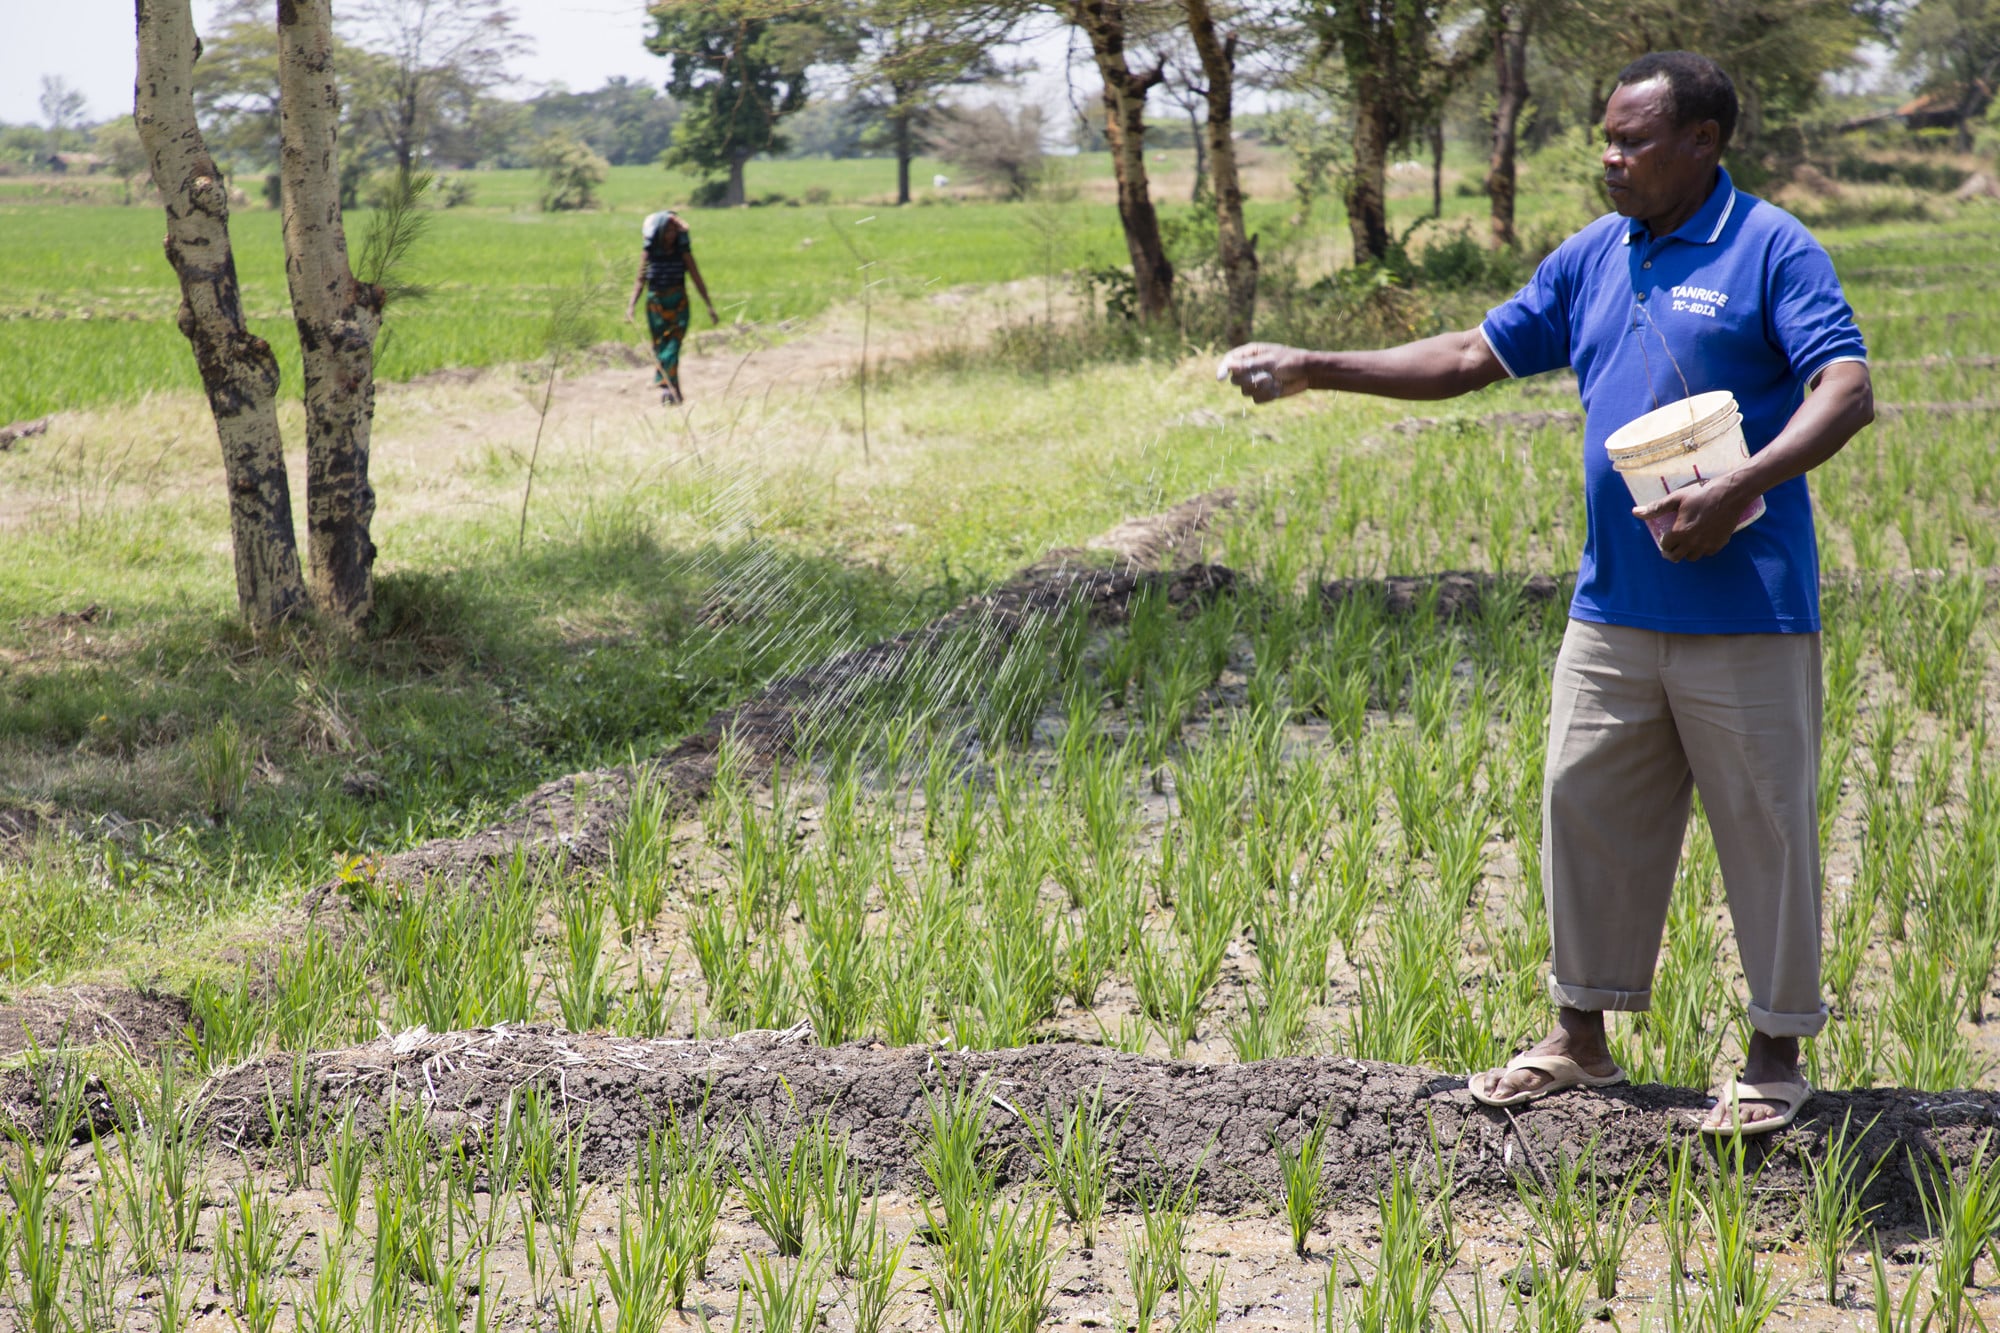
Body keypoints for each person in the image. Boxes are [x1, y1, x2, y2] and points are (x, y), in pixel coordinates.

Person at [1221, 51, 1873, 1137]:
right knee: (1584, 808)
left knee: (1761, 827)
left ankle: (1772, 1053)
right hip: (1611, 608)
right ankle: (1579, 1038)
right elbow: (1473, 352)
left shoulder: (1767, 247)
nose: (1608, 159)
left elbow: (1843, 386)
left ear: (1701, 143)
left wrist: (1741, 483)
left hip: (1746, 607)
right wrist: (1313, 366)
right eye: (1603, 140)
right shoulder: (1590, 256)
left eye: (1631, 141)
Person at [627, 207, 719, 405]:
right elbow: (640, 280)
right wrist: (631, 306)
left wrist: (709, 306)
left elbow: (696, 278)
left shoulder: (682, 253)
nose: (671, 235)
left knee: (673, 346)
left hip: (678, 303)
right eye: (667, 231)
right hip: (656, 305)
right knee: (661, 346)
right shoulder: (649, 253)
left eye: (674, 231)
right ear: (659, 233)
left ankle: (667, 386)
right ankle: (673, 390)